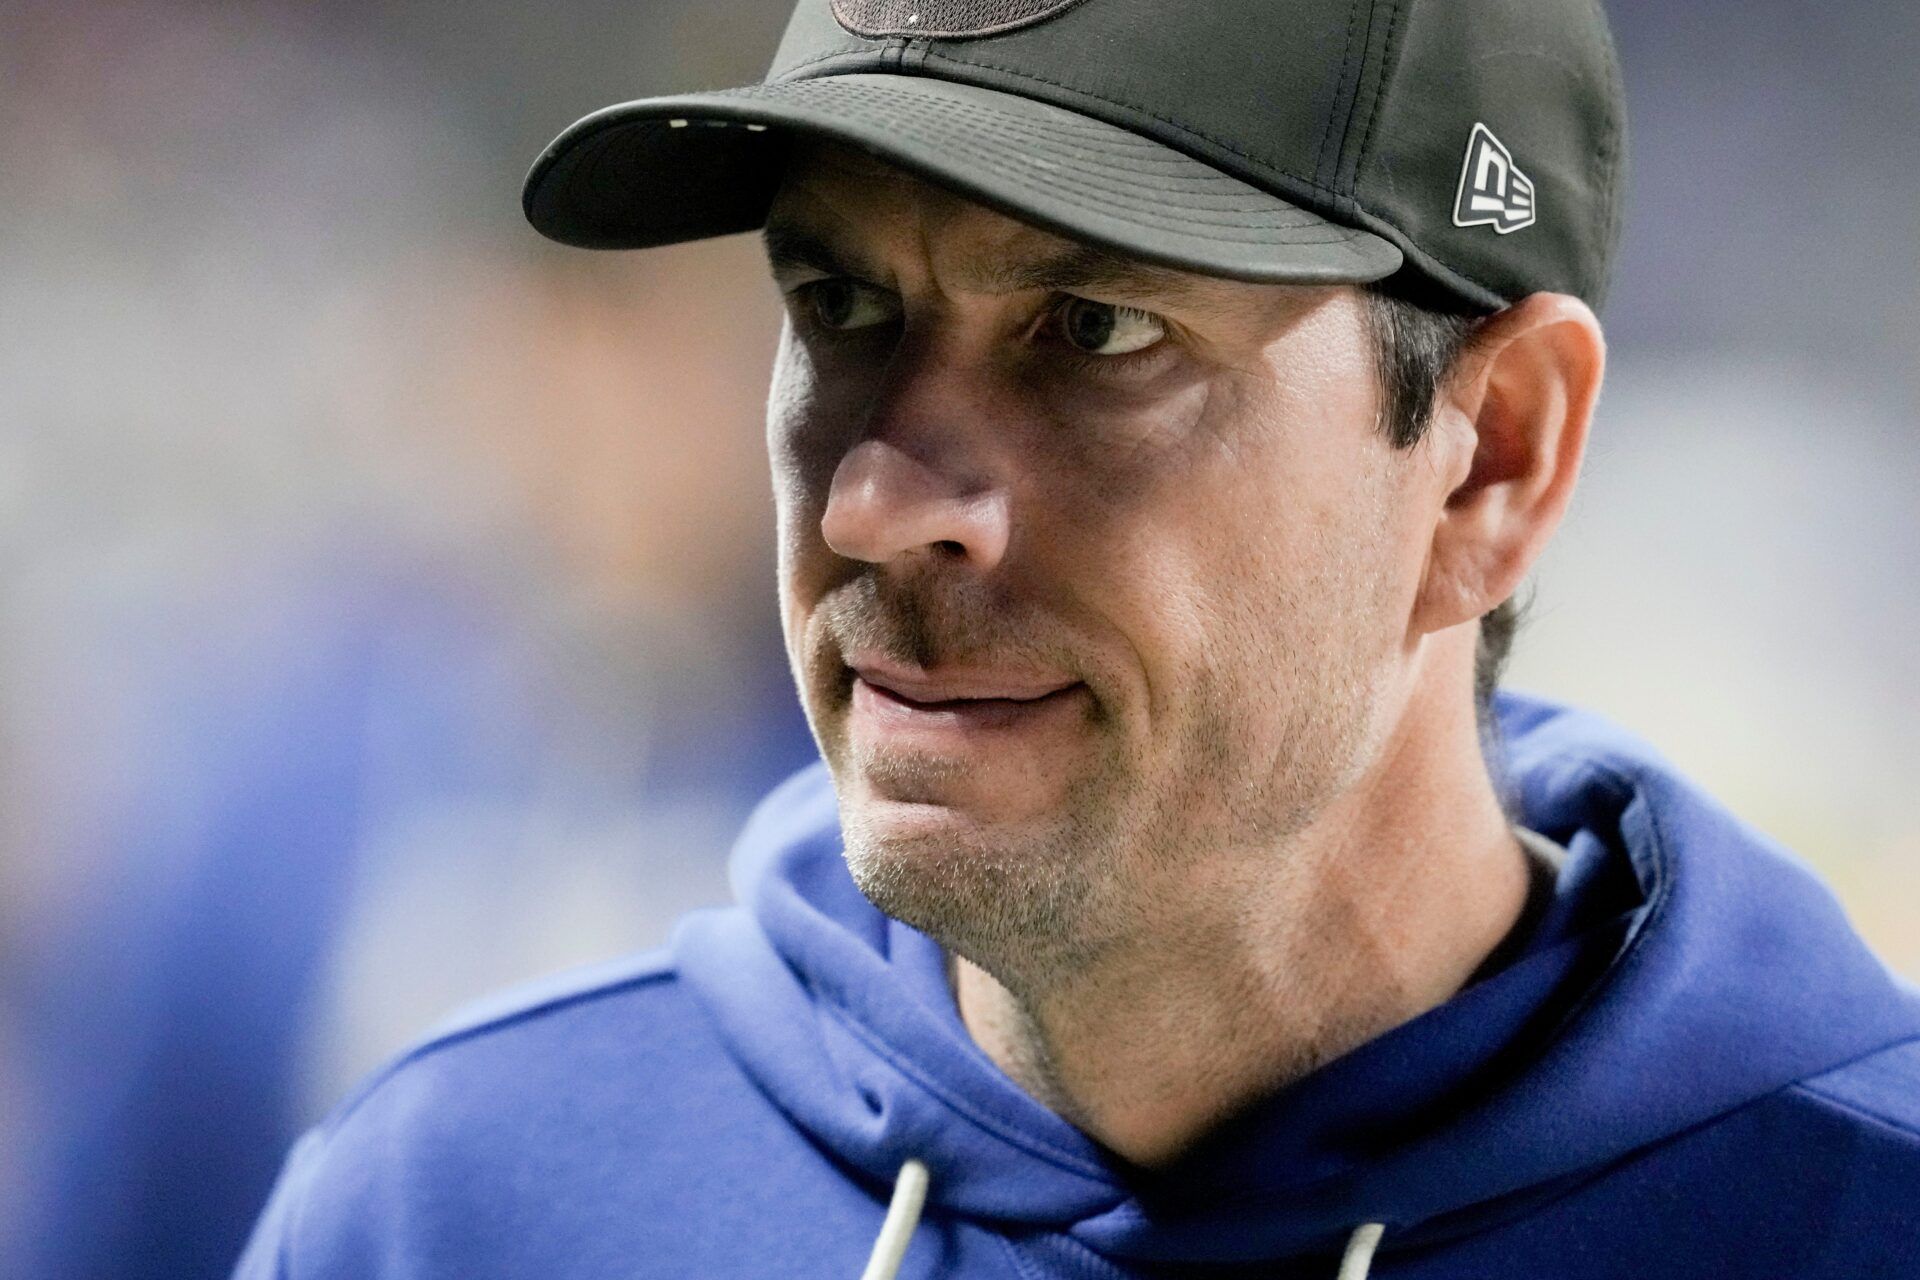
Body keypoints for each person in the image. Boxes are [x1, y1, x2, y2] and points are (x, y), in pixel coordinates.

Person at [234, 0, 1920, 1275]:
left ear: (1491, 461)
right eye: (839, 307)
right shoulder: (453, 1210)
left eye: (1098, 329)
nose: (876, 503)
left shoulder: (1856, 1218)